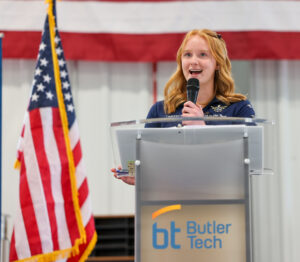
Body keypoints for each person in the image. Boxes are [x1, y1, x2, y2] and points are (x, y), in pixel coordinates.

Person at [112, 28, 255, 185]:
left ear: (218, 64)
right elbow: (147, 162)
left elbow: (250, 161)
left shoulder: (239, 108)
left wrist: (203, 130)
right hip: (168, 201)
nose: (194, 61)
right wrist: (136, 174)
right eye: (187, 55)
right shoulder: (161, 110)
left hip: (222, 200)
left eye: (203, 55)